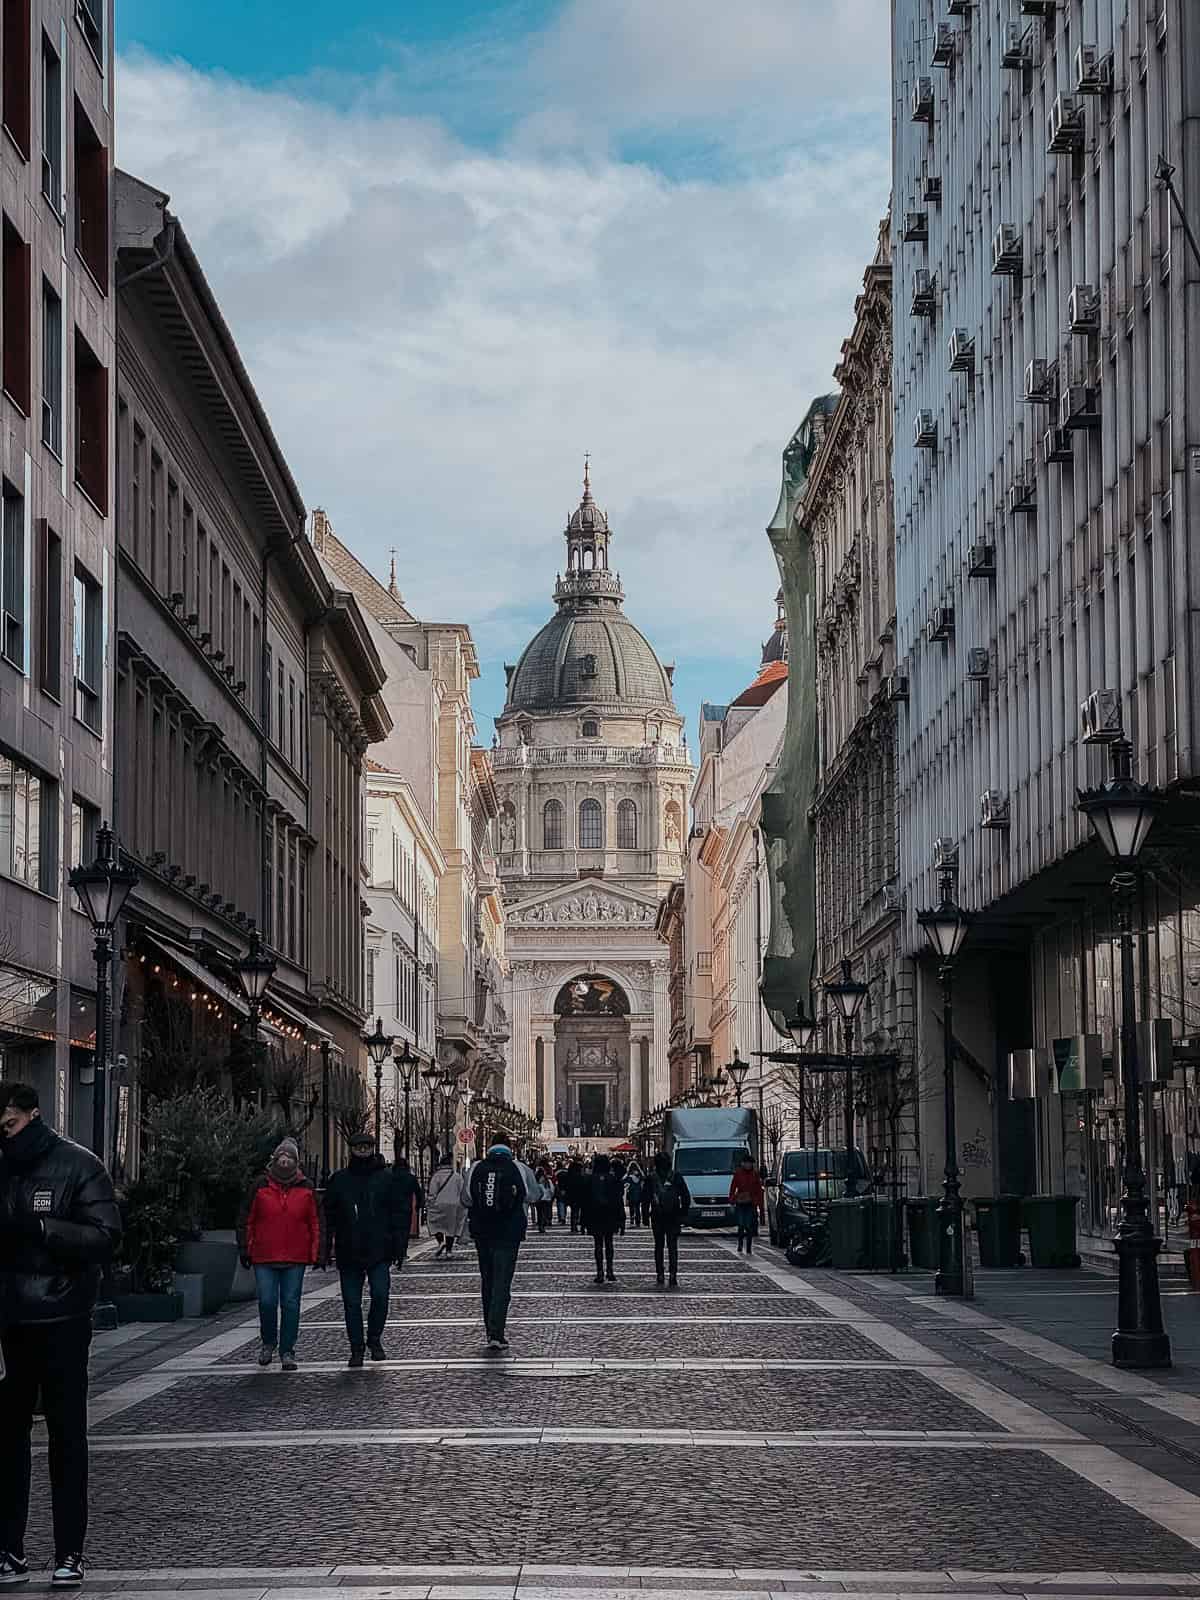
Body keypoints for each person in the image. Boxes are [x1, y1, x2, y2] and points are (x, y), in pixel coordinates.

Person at [0, 1080, 121, 1588]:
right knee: (6, 1440)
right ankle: (9, 1548)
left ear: (31, 1115)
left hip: (62, 1319)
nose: (2, 1136)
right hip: (7, 1322)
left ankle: (70, 1551)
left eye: (7, 1125)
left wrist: (45, 1230)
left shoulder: (78, 1164)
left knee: (66, 1436)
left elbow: (106, 1236)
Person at [322, 1132, 409, 1367]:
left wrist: (399, 1246)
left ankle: (374, 1338)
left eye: (366, 1146)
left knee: (380, 1295)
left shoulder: (386, 1179)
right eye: (358, 1146)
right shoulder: (339, 1180)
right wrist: (325, 1246)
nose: (362, 1150)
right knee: (351, 1302)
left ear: (372, 1148)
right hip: (348, 1249)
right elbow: (328, 1215)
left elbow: (399, 1213)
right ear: (351, 1149)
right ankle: (356, 1347)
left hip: (379, 1249)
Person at [237, 1136, 322, 1371]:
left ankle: (287, 1350)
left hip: (295, 1256)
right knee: (266, 1301)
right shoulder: (260, 1186)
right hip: (264, 1255)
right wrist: (245, 1247)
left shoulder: (306, 1187)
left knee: (291, 1304)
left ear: (296, 1162)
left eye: (290, 1158)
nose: (285, 1162)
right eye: (281, 1157)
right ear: (274, 1160)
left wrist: (317, 1252)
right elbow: (247, 1219)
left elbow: (315, 1221)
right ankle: (268, 1342)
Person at [467, 1142, 527, 1350]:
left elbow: (466, 1198)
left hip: (483, 1233)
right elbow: (532, 1194)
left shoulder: (477, 1168)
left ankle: (489, 1330)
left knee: (488, 1281)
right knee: (502, 1282)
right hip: (508, 1233)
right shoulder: (516, 1167)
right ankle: (497, 1332)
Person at [645, 1151, 691, 1289]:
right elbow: (685, 1196)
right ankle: (673, 1275)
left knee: (658, 1246)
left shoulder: (651, 1177)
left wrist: (645, 1216)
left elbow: (645, 1197)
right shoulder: (676, 1176)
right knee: (672, 1247)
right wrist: (683, 1213)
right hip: (673, 1216)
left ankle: (660, 1273)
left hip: (657, 1216)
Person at [582, 1153, 625, 1285]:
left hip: (595, 1215)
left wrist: (583, 1221)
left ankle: (600, 1271)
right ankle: (610, 1270)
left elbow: (585, 1203)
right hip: (610, 1215)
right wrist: (622, 1220)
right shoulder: (613, 1179)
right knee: (609, 1243)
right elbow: (619, 1201)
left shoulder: (589, 1180)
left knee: (598, 1244)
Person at [426, 1152, 468, 1258]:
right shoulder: (457, 1177)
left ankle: (440, 1242)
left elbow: (432, 1192)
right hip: (454, 1205)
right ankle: (449, 1251)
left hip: (438, 1204)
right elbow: (462, 1191)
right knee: (451, 1228)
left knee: (435, 1224)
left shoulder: (436, 1177)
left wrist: (430, 1203)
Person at [390, 1155, 424, 1271]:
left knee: (393, 1231)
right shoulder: (410, 1178)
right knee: (404, 1232)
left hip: (391, 1208)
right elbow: (418, 1193)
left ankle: (394, 1252)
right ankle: (402, 1253)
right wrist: (419, 1205)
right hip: (405, 1208)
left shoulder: (390, 1177)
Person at [729, 1153, 766, 1255]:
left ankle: (749, 1247)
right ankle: (740, 1244)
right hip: (741, 1202)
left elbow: (758, 1190)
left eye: (750, 1163)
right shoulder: (738, 1174)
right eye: (746, 1163)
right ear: (743, 1164)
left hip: (751, 1203)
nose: (748, 1165)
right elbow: (733, 1187)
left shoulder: (755, 1174)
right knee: (741, 1225)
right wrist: (732, 1201)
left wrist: (760, 1205)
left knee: (749, 1226)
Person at [565, 1157, 586, 1233]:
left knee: (574, 1212)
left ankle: (573, 1226)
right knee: (582, 1212)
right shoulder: (582, 1177)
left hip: (572, 1197)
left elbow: (566, 1187)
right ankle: (582, 1227)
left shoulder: (569, 1177)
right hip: (581, 1196)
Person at [534, 1162, 554, 1233]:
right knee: (544, 1212)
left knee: (539, 1213)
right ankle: (543, 1223)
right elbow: (552, 1190)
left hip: (538, 1199)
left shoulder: (535, 1181)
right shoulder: (547, 1181)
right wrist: (550, 1196)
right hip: (546, 1199)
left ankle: (540, 1225)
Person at [625, 1160, 644, 1229]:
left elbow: (623, 1181)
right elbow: (644, 1178)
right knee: (637, 1208)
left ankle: (632, 1221)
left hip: (631, 1194)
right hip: (638, 1194)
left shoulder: (629, 1177)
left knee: (631, 1209)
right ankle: (638, 1222)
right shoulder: (640, 1176)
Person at [553, 1162, 570, 1227]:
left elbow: (555, 1182)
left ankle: (562, 1217)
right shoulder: (567, 1171)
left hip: (559, 1189)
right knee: (564, 1204)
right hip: (567, 1189)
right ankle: (563, 1216)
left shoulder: (556, 1172)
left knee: (560, 1203)